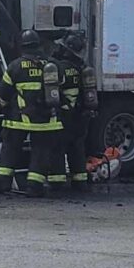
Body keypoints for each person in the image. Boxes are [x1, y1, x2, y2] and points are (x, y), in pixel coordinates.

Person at [0, 29, 65, 197]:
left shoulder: (15, 66)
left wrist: (3, 106)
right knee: (41, 152)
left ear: (22, 47)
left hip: (18, 119)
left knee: (10, 150)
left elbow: (3, 93)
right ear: (38, 45)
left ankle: (3, 184)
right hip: (47, 120)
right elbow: (61, 83)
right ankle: (34, 187)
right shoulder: (52, 65)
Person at [50, 34, 92, 192]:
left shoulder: (58, 68)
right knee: (77, 149)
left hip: (63, 116)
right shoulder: (83, 70)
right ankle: (80, 182)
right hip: (80, 117)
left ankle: (57, 182)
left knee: (58, 149)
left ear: (66, 50)